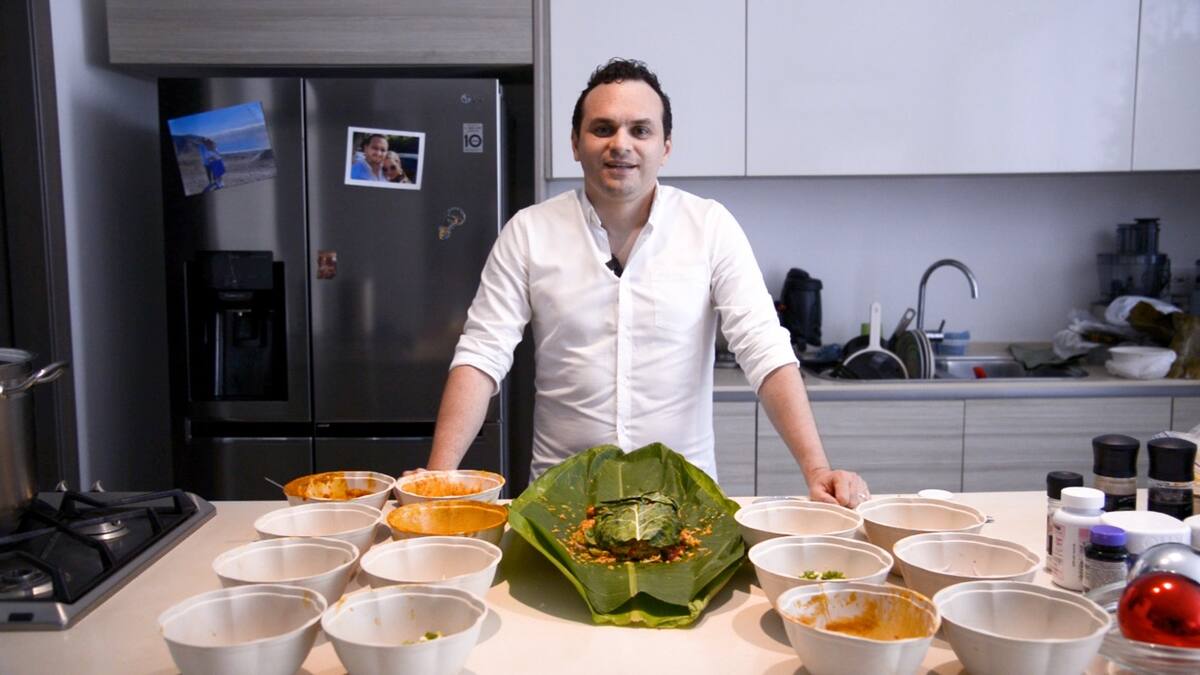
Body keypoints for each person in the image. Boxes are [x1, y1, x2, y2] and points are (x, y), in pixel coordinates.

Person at [422, 58, 870, 507]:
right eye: (603, 129)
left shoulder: (709, 226)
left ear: (665, 146)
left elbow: (764, 349)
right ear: (575, 143)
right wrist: (439, 478)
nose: (621, 144)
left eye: (640, 130)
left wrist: (817, 470)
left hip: (684, 503)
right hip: (564, 504)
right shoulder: (529, 232)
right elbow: (482, 354)